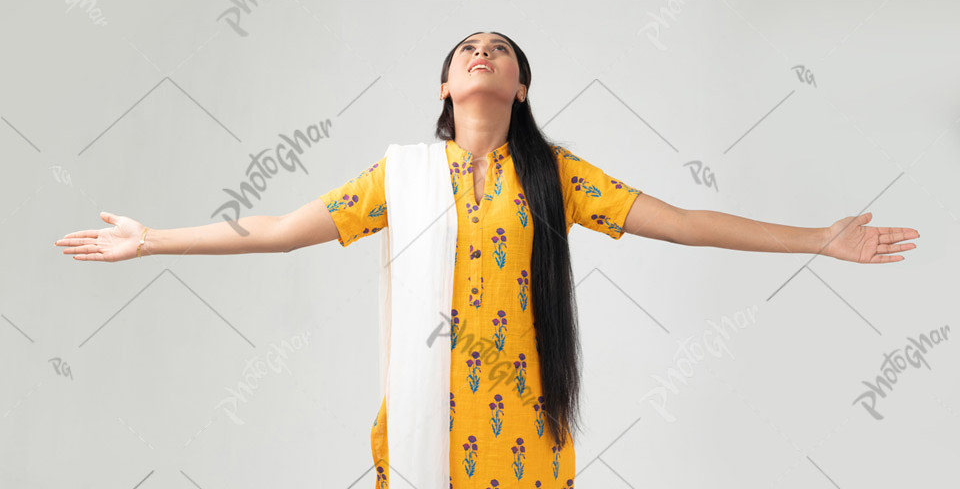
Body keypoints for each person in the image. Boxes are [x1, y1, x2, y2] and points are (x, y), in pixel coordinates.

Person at [54, 31, 920, 487]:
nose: (483, 53)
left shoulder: (556, 177)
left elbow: (686, 221)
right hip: (428, 432)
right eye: (467, 49)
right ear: (444, 86)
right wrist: (152, 238)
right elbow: (280, 227)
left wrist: (819, 240)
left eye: (500, 50)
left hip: (525, 440)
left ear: (521, 87)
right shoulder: (401, 176)